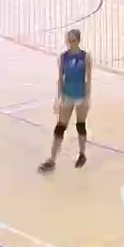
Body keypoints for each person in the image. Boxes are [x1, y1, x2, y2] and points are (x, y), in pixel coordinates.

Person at [40, 29, 91, 173]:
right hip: (68, 95)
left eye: (73, 41)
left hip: (80, 96)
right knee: (60, 126)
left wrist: (87, 98)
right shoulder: (63, 57)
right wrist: (58, 98)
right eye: (69, 41)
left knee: (80, 125)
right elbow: (60, 78)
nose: (70, 43)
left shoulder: (85, 57)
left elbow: (88, 79)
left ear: (78, 41)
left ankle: (82, 154)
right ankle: (52, 159)